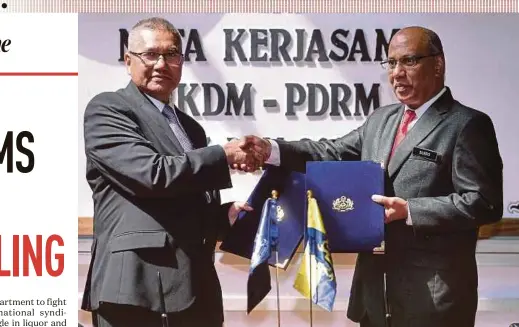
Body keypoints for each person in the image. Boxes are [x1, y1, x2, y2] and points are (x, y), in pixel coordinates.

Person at [239, 26, 503, 327]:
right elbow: (331, 152)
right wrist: (271, 150)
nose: (397, 73)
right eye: (391, 63)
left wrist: (410, 211)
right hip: (375, 296)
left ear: (438, 64)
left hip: (433, 298)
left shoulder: (467, 124)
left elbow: (484, 202)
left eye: (409, 61)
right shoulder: (381, 120)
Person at [81, 17, 260, 327]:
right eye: (151, 54)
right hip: (136, 290)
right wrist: (223, 155)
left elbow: (186, 202)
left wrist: (223, 218)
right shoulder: (109, 109)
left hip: (194, 290)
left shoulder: (190, 127)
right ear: (128, 61)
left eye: (171, 54)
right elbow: (152, 175)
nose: (161, 64)